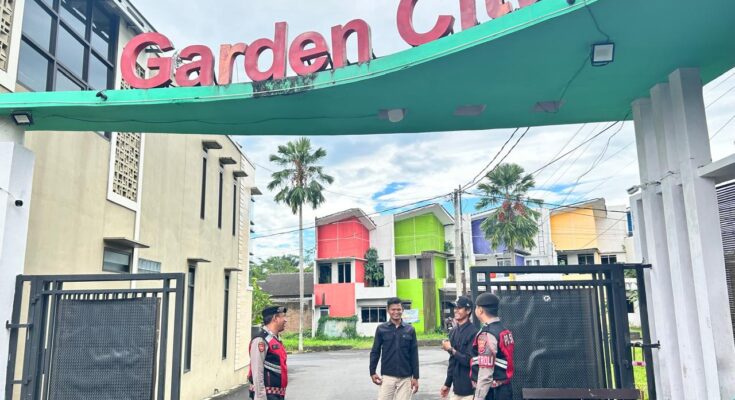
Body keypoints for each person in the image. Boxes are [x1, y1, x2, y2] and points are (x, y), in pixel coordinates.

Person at [369, 297, 420, 400]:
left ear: (402, 310)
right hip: (388, 376)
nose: (396, 312)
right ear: (388, 310)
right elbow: (375, 351)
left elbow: (414, 354)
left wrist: (416, 377)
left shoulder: (410, 329)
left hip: (405, 378)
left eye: (398, 309)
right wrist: (372, 372)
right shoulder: (381, 329)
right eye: (393, 309)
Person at [471, 293, 515, 400]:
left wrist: (478, 397)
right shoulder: (503, 330)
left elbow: (485, 372)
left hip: (492, 392)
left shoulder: (487, 334)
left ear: (480, 310)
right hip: (505, 388)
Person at [440, 296, 479, 400]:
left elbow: (469, 361)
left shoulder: (474, 332)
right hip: (456, 389)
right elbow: (452, 361)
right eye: (455, 308)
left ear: (468, 310)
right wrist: (447, 384)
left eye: (459, 308)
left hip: (470, 390)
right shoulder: (453, 331)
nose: (456, 310)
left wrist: (450, 349)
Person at [248, 306, 289, 400]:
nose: (285, 320)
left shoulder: (274, 340)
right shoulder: (260, 340)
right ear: (275, 318)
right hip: (266, 396)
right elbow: (257, 372)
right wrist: (261, 398)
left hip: (276, 396)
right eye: (283, 316)